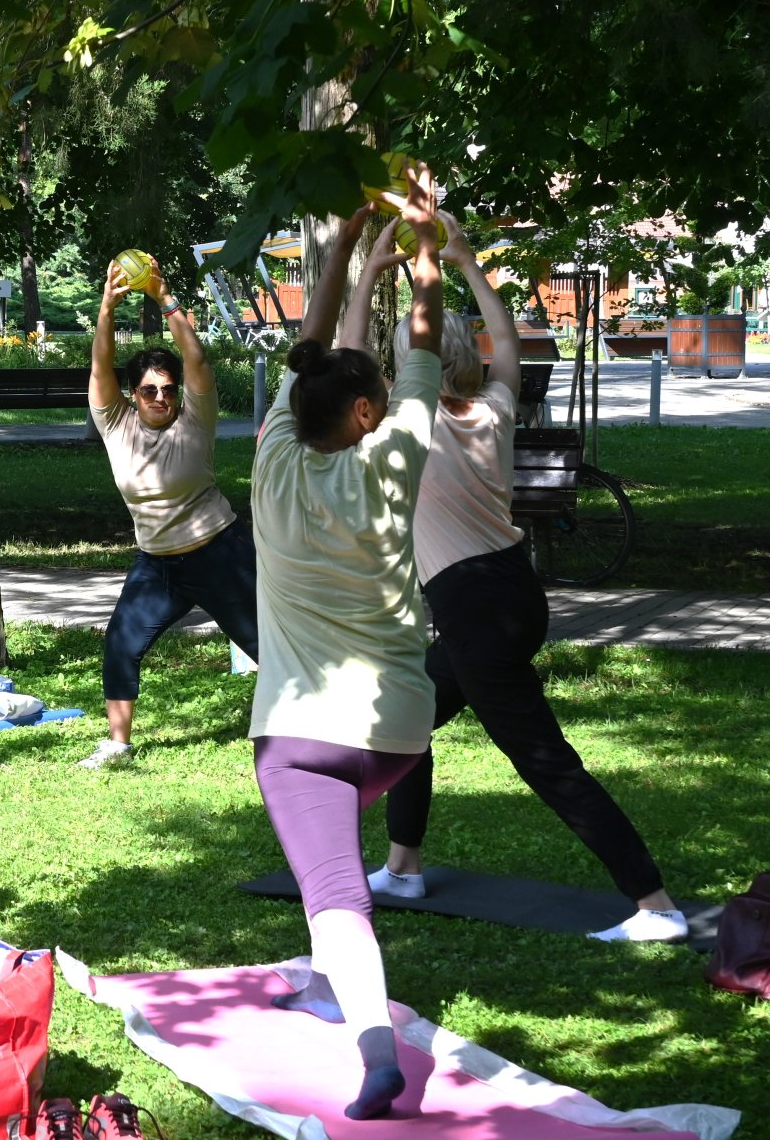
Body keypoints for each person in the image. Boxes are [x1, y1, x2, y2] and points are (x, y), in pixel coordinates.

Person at [363, 211, 687, 944]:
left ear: (412, 370)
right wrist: (468, 263)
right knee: (407, 721)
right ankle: (403, 864)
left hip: (475, 606)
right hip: (515, 588)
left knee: (546, 762)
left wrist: (383, 268)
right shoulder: (495, 407)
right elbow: (505, 341)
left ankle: (654, 905)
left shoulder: (407, 423)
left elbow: (351, 352)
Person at [247, 167, 443, 1121]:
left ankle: (374, 1043)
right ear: (367, 413)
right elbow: (417, 345)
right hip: (397, 733)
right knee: (339, 893)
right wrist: (422, 253)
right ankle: (341, 982)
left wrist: (347, 244)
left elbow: (314, 352)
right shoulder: (398, 456)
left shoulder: (274, 458)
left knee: (335, 894)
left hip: (298, 735)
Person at [81, 256, 259, 769]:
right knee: (120, 644)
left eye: (168, 388)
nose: (161, 396)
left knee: (266, 644)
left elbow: (197, 359)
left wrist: (165, 297)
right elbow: (100, 368)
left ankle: (303, 728)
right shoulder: (117, 425)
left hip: (220, 552)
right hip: (156, 564)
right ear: (132, 396)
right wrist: (107, 308)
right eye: (149, 390)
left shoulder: (194, 421)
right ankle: (117, 745)